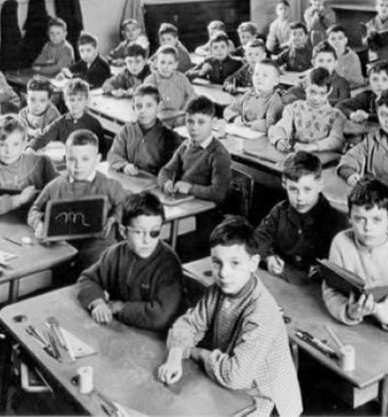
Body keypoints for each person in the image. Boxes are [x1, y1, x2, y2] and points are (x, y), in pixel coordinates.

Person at [158, 217, 303, 417]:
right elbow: (189, 324)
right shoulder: (218, 290)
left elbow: (236, 376)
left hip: (267, 403)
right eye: (217, 263)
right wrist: (175, 355)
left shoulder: (262, 313)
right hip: (233, 385)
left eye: (235, 263)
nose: (224, 273)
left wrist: (196, 353)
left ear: (253, 263)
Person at [322, 177, 388, 330]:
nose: (368, 228)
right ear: (350, 218)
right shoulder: (341, 242)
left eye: (377, 220)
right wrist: (348, 312)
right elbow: (331, 290)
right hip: (352, 327)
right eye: (359, 219)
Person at [77, 191, 184, 331]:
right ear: (123, 232)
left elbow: (161, 316)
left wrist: (120, 307)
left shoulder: (168, 264)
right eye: (139, 232)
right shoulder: (114, 254)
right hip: (121, 329)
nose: (147, 241)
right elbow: (87, 279)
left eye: (154, 233)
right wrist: (98, 303)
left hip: (156, 336)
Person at [28, 129, 128, 273]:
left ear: (98, 159)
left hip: (97, 248)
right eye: (72, 159)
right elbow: (35, 209)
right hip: (63, 246)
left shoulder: (109, 185)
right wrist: (39, 224)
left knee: (96, 270)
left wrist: (113, 219)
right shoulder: (55, 186)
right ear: (65, 159)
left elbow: (125, 205)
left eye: (85, 159)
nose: (78, 165)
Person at [254, 152, 347, 275]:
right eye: (293, 189)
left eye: (307, 189)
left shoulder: (335, 222)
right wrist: (268, 257)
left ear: (320, 185)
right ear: (284, 184)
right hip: (284, 280)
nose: (300, 198)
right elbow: (258, 239)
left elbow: (340, 270)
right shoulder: (279, 211)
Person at [0, 115, 58, 216]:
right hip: (9, 225)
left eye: (15, 144)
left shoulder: (42, 162)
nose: (9, 151)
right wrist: (19, 200)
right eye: (2, 144)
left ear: (24, 144)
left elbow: (61, 188)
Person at [158, 96, 232, 205]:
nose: (194, 128)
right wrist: (166, 183)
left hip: (204, 212)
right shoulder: (185, 146)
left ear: (213, 123)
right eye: (190, 121)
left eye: (201, 122)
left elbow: (218, 194)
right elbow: (166, 170)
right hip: (185, 202)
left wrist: (189, 188)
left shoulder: (219, 154)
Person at [107, 85, 184, 176]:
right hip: (130, 179)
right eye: (138, 106)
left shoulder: (170, 136)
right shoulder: (127, 130)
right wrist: (124, 166)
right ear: (133, 108)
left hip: (154, 184)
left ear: (159, 107)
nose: (143, 111)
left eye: (149, 106)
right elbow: (113, 154)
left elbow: (174, 167)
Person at [268, 67, 345, 154]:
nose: (316, 98)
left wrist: (312, 147)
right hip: (296, 154)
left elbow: (336, 140)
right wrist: (279, 139)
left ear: (329, 91)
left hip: (320, 157)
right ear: (305, 87)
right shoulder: (295, 108)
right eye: (312, 92)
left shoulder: (335, 115)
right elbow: (281, 126)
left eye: (322, 93)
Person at [29, 79, 107, 154]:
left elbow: (101, 151)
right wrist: (31, 147)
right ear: (66, 101)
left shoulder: (93, 124)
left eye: (79, 100)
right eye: (72, 100)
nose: (75, 104)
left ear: (86, 101)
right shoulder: (61, 122)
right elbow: (43, 137)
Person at [223, 60, 284, 133]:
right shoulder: (249, 94)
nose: (259, 78)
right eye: (256, 74)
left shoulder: (274, 101)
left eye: (265, 75)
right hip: (243, 134)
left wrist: (249, 124)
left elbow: (271, 125)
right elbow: (229, 110)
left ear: (276, 81)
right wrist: (235, 118)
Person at [281, 41, 350, 106]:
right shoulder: (307, 80)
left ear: (335, 63)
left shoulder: (342, 82)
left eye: (329, 61)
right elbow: (287, 96)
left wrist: (315, 100)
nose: (325, 65)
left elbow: (344, 104)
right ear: (313, 63)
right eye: (321, 61)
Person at [143, 45, 197, 122]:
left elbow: (191, 95)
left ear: (175, 65)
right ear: (156, 63)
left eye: (170, 63)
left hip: (180, 117)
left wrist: (184, 109)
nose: (165, 67)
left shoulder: (182, 78)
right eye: (162, 62)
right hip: (158, 120)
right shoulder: (150, 81)